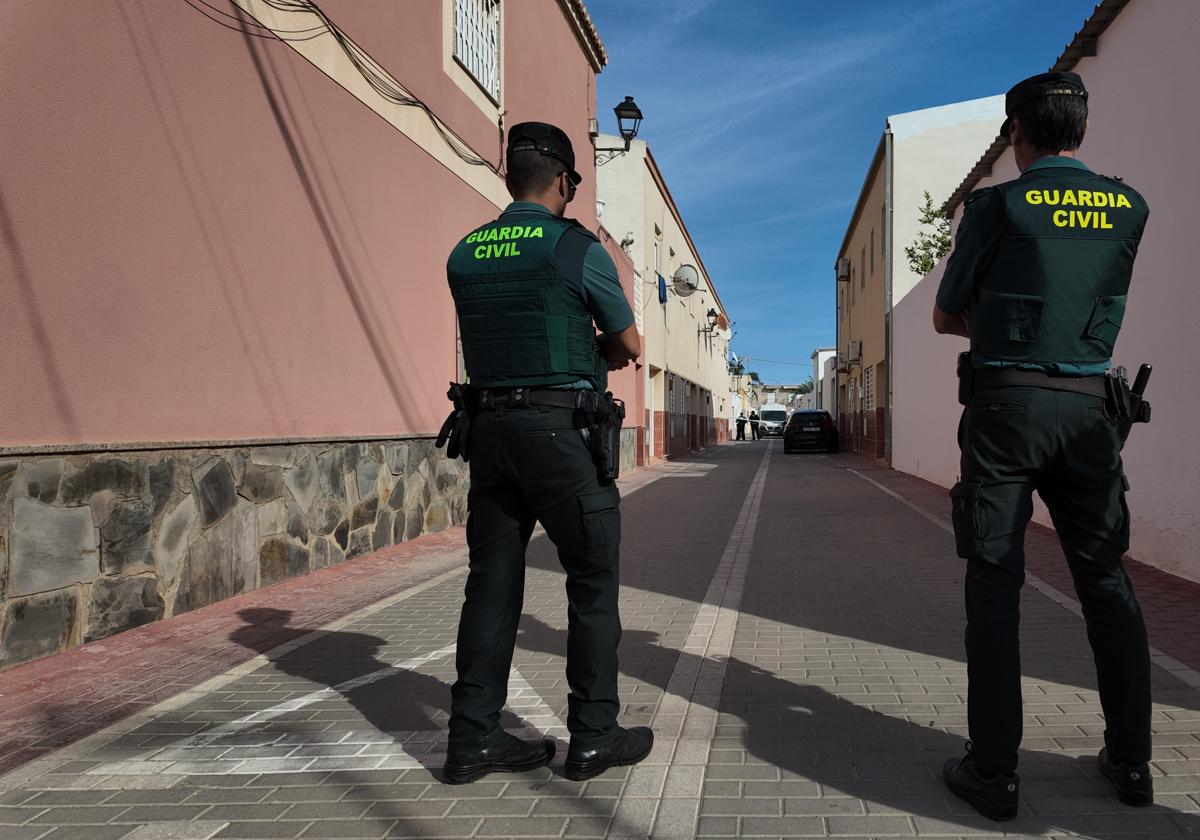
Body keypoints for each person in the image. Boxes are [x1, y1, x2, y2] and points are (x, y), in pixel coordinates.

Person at [933, 72, 1152, 820]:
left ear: (1017, 135)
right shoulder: (1129, 207)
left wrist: (998, 330)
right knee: (1106, 581)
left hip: (1006, 410)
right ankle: (1131, 763)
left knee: (995, 581)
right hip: (1092, 413)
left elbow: (943, 313)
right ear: (1079, 133)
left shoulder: (997, 205)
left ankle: (993, 772)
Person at [440, 122, 653, 785]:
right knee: (592, 582)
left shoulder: (465, 251)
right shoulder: (575, 247)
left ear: (511, 178)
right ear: (564, 180)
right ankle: (593, 736)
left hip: (490, 436)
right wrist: (602, 349)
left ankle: (472, 738)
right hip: (562, 436)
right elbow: (629, 343)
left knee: (491, 586)